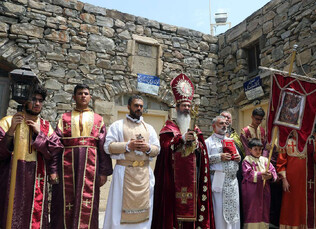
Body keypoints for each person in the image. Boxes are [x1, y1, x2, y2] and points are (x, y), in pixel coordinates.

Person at [151, 73, 215, 229]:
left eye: (188, 106)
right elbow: (164, 150)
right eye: (183, 106)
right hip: (173, 182)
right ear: (177, 108)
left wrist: (197, 146)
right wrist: (181, 139)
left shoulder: (196, 130)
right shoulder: (168, 129)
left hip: (194, 180)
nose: (186, 109)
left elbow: (203, 155)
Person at [50, 84, 113, 229]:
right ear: (74, 97)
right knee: (65, 203)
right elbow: (55, 145)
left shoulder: (98, 119)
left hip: (90, 168)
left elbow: (103, 147)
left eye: (86, 93)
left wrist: (103, 172)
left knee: (88, 203)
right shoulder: (64, 118)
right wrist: (53, 170)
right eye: (80, 93)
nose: (83, 96)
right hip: (66, 168)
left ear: (90, 97)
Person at [0, 85, 63, 228]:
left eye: (40, 100)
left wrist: (38, 133)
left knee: (34, 216)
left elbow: (54, 151)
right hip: (11, 176)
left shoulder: (45, 126)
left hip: (36, 178)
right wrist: (11, 131)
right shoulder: (7, 121)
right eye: (33, 99)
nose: (37, 104)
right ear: (24, 101)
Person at [103, 95, 160, 228]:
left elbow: (157, 149)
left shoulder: (149, 128)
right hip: (124, 173)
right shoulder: (118, 125)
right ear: (129, 107)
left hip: (144, 174)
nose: (139, 108)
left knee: (145, 209)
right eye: (136, 105)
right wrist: (128, 146)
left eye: (141, 106)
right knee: (119, 208)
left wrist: (148, 148)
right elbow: (108, 147)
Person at [277, 131, 316, 228]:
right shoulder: (286, 142)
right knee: (292, 207)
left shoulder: (311, 143)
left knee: (306, 207)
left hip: (308, 182)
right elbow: (281, 163)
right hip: (291, 182)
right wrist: (284, 179)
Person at [205, 115, 241, 229]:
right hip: (218, 180)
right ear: (213, 126)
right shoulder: (208, 142)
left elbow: (237, 157)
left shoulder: (231, 141)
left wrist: (238, 158)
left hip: (232, 181)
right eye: (221, 123)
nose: (224, 125)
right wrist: (219, 157)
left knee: (234, 210)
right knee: (219, 210)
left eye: (226, 123)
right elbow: (203, 160)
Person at [242, 138, 277, 229]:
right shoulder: (247, 160)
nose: (258, 151)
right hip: (252, 191)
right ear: (250, 150)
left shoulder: (265, 160)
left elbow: (273, 171)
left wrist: (270, 176)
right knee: (252, 211)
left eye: (260, 149)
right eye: (255, 149)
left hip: (264, 190)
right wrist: (261, 174)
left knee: (264, 211)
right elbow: (248, 174)